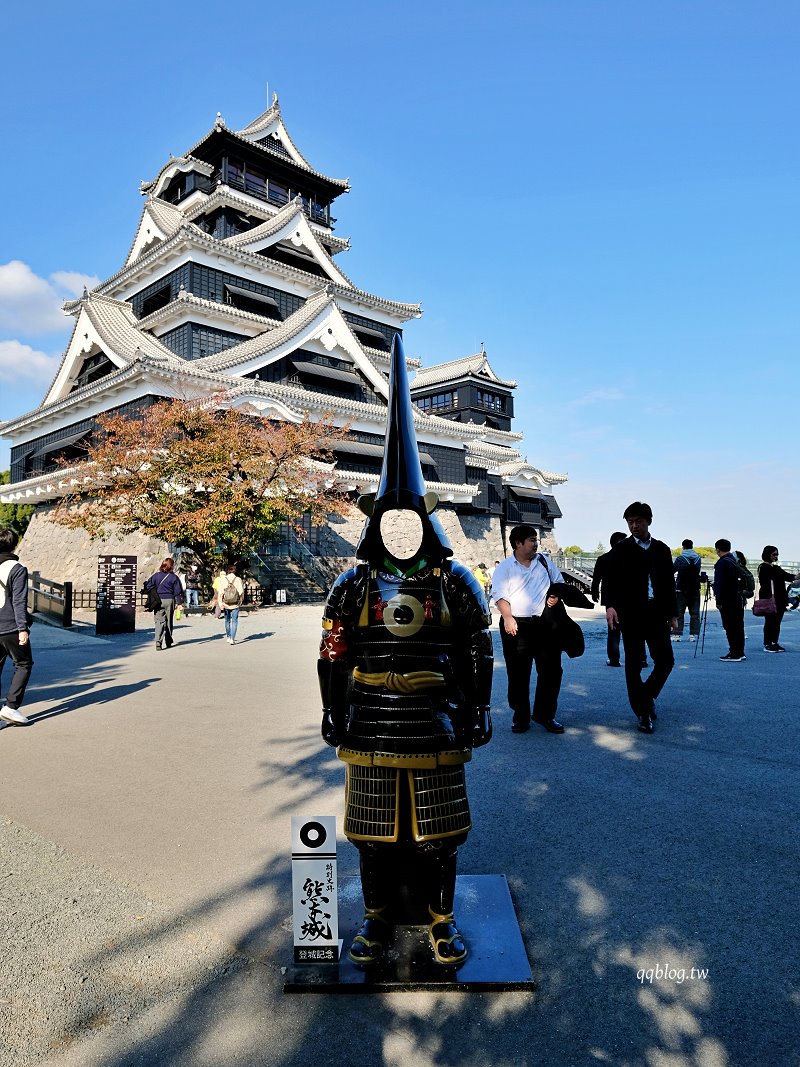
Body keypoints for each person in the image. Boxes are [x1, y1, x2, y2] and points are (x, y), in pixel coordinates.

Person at [318, 335, 493, 967]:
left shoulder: (454, 581)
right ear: (376, 519)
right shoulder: (355, 583)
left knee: (439, 835)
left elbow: (477, 649)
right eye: (388, 515)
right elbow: (334, 651)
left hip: (437, 717)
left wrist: (479, 709)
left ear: (424, 515)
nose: (398, 526)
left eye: (407, 514)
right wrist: (331, 709)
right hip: (369, 718)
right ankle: (376, 917)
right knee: (372, 835)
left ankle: (441, 921)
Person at [603, 502, 678, 734]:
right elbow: (610, 579)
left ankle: (645, 696)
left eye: (638, 521)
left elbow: (668, 583)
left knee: (666, 660)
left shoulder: (662, 550)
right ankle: (643, 712)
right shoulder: (621, 549)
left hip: (656, 612)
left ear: (649, 521)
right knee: (633, 663)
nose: (634, 525)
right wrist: (610, 606)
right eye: (630, 522)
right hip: (631, 614)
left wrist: (673, 613)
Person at [491, 525, 567, 734]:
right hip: (517, 625)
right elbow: (499, 595)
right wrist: (507, 618)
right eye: (531, 540)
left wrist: (555, 595)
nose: (535, 544)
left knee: (552, 671)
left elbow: (559, 582)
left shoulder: (543, 561)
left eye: (536, 540)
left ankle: (545, 715)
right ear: (518, 543)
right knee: (518, 673)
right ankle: (521, 716)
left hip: (545, 625)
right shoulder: (505, 568)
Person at [0, 528, 33, 726]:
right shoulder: (16, 568)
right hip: (10, 626)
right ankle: (11, 707)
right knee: (23, 664)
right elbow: (19, 601)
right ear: (15, 544)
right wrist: (23, 628)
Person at [592, 531, 628, 666]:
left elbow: (596, 579)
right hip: (630, 599)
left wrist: (595, 593)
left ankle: (614, 659)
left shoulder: (603, 558)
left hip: (611, 600)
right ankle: (641, 659)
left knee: (613, 629)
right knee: (635, 630)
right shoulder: (631, 558)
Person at [757, 546, 800, 653]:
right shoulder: (764, 567)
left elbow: (789, 577)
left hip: (779, 599)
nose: (776, 556)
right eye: (774, 554)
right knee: (770, 622)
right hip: (770, 599)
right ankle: (767, 643)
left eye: (777, 554)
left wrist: (795, 576)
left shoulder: (774, 568)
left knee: (776, 622)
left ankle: (774, 642)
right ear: (768, 554)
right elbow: (786, 576)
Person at [713, 540, 746, 662]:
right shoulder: (733, 560)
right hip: (737, 598)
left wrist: (718, 600)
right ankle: (740, 651)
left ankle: (734, 652)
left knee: (730, 626)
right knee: (738, 626)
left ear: (718, 549)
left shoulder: (722, 563)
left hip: (727, 599)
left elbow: (720, 584)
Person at [145, 557, 183, 650]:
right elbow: (177, 592)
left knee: (159, 621)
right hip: (170, 600)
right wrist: (179, 603)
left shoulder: (156, 576)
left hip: (158, 600)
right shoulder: (174, 577)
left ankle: (158, 641)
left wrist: (155, 593)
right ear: (172, 566)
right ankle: (168, 640)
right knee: (169, 621)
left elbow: (148, 585)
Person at [673, 539, 702, 642]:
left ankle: (677, 634)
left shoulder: (680, 558)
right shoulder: (698, 559)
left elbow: (672, 570)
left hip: (681, 588)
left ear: (683, 546)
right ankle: (693, 635)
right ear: (692, 546)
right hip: (694, 589)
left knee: (679, 612)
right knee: (694, 613)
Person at [220, 564, 244, 645]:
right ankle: (233, 639)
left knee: (227, 621)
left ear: (228, 570)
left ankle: (228, 636)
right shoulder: (238, 579)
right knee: (234, 621)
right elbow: (241, 592)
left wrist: (220, 603)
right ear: (235, 570)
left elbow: (220, 593)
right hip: (235, 604)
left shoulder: (223, 579)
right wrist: (241, 601)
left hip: (226, 603)